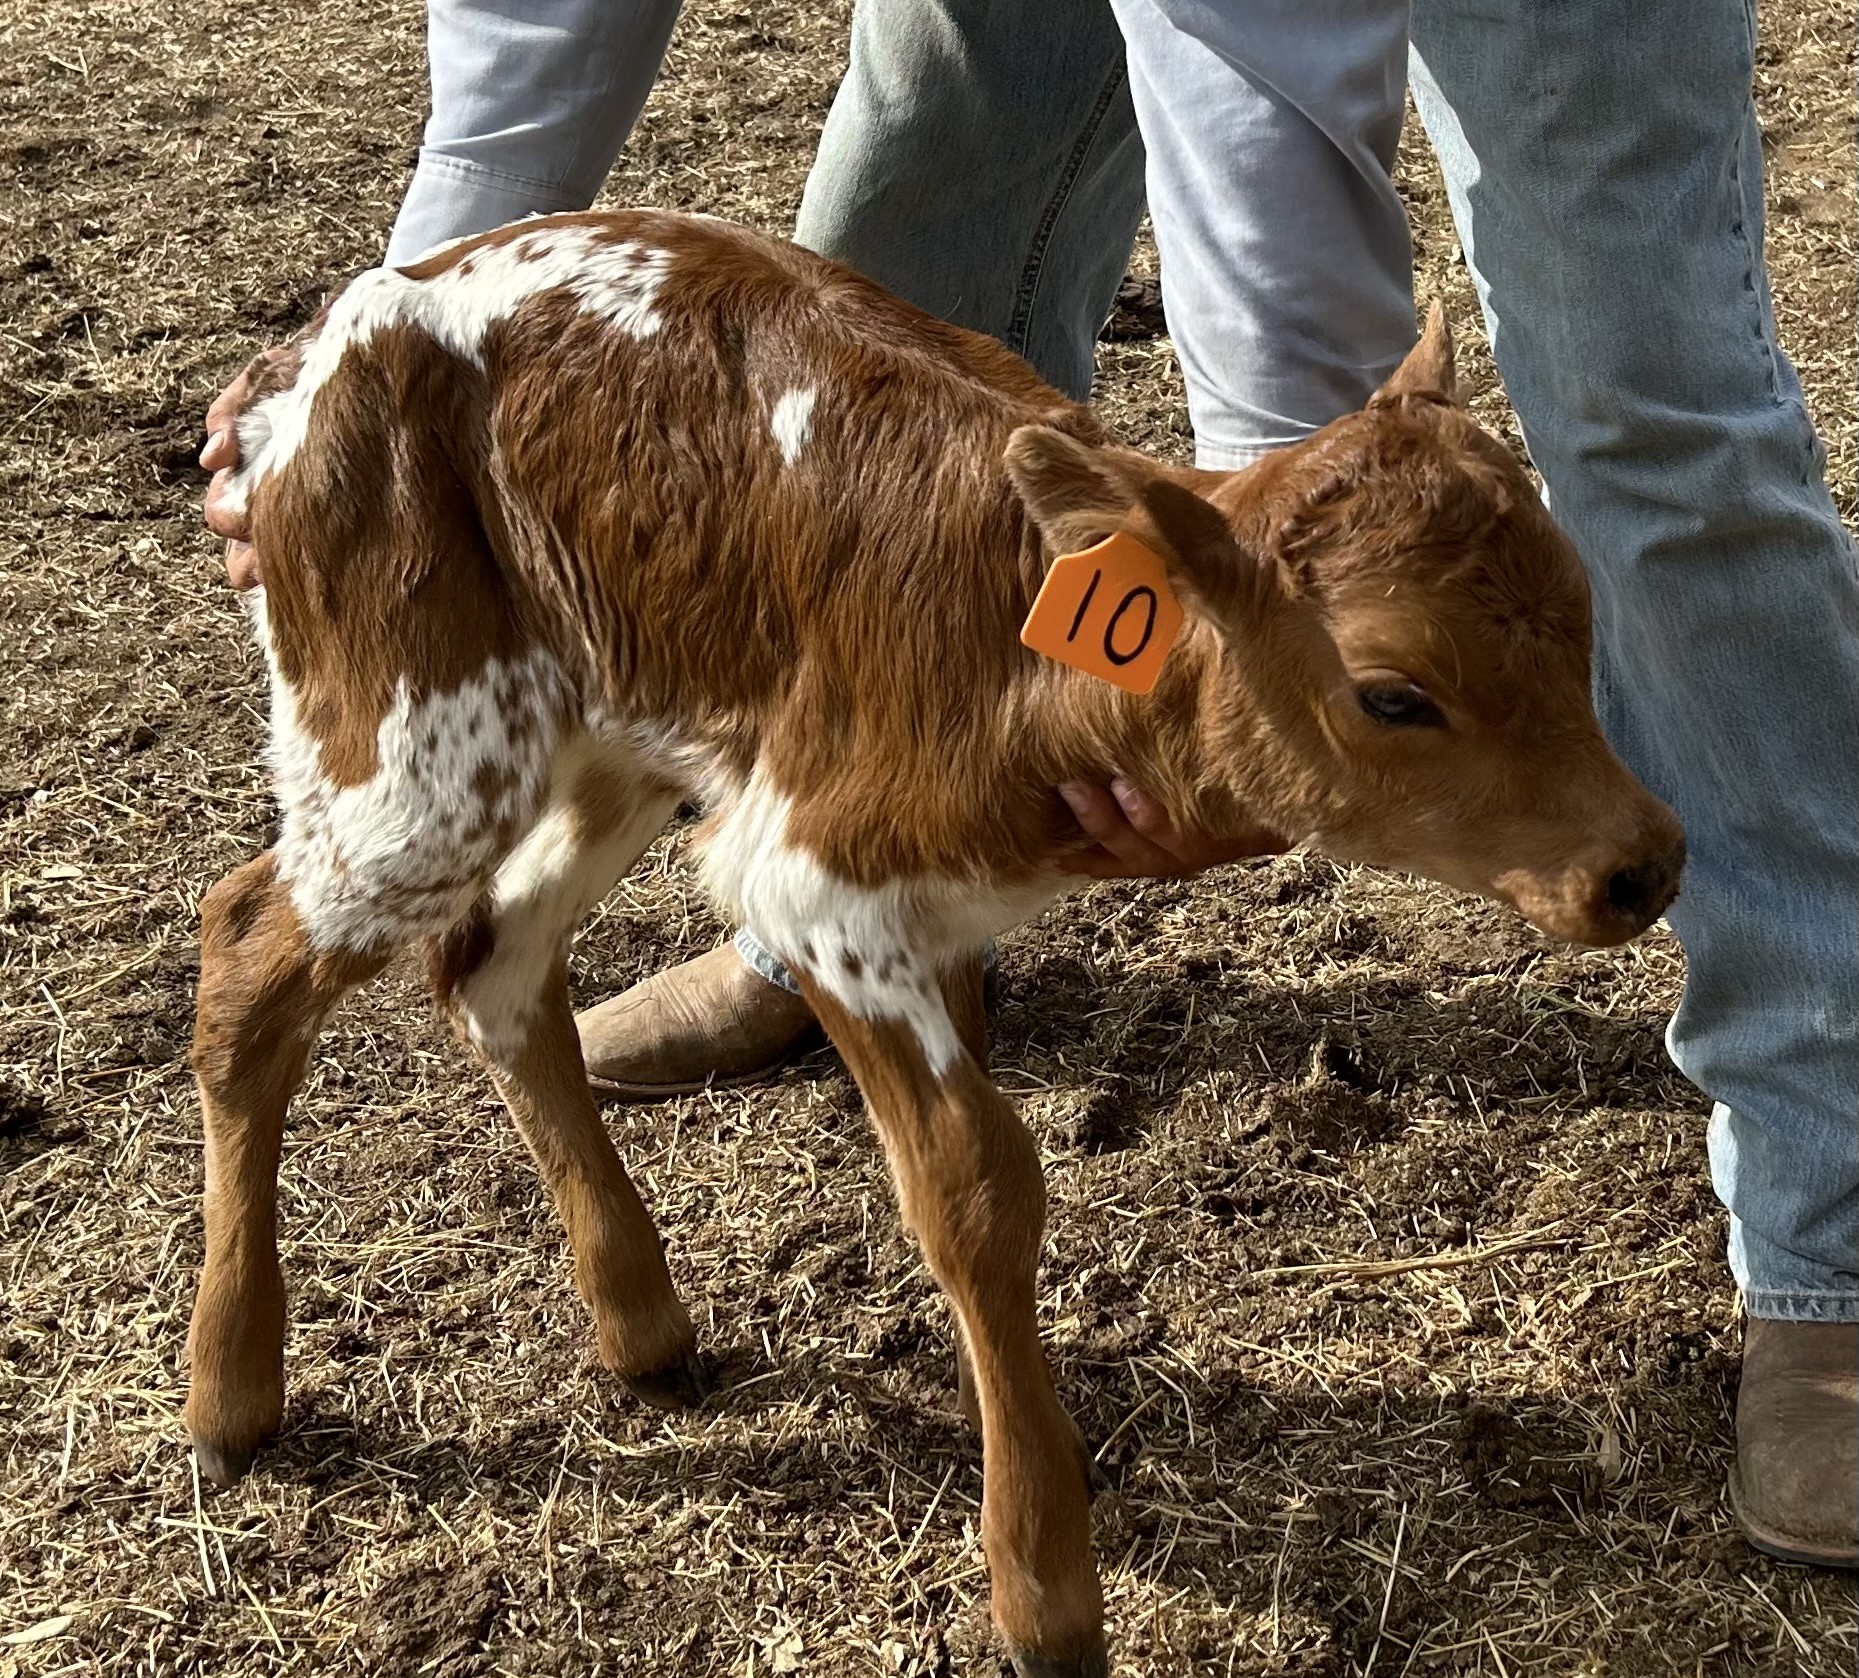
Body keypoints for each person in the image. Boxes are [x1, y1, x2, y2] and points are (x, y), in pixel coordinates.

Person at [202, 0, 1858, 1570]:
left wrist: (1255, 647)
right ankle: (834, 873)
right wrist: (388, 341)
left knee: (1649, 396)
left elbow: (1260, 76)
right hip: (457, 385)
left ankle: (1832, 1223)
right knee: (919, 208)